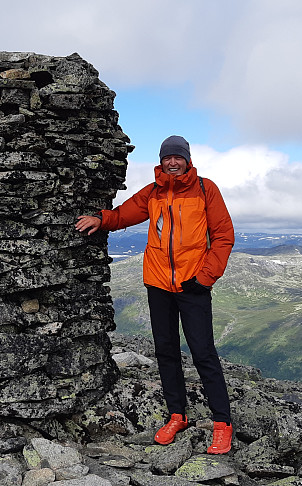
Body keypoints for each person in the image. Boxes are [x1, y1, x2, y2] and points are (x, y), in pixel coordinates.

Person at [75, 135, 235, 454]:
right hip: (158, 286)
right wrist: (101, 219)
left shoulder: (206, 189)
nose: (172, 162)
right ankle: (177, 415)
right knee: (166, 352)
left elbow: (223, 236)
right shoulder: (154, 192)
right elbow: (125, 214)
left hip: (194, 288)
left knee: (203, 353)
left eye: (178, 157)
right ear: (161, 162)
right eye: (167, 158)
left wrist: (203, 279)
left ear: (187, 160)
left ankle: (222, 423)